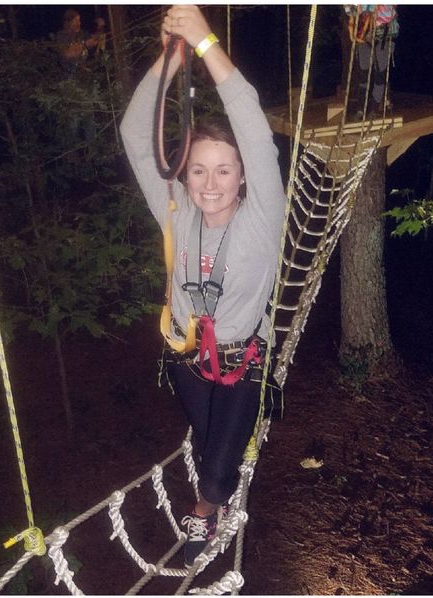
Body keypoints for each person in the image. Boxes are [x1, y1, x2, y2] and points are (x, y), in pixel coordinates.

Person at [119, 5, 287, 566]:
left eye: (223, 170)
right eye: (197, 170)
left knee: (217, 468)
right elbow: (134, 135)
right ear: (183, 174)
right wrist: (172, 59)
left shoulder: (263, 218)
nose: (210, 184)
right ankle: (224, 461)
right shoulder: (175, 213)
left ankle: (206, 511)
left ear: (243, 176)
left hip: (245, 362)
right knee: (210, 436)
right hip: (186, 360)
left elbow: (256, 133)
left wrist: (205, 41)